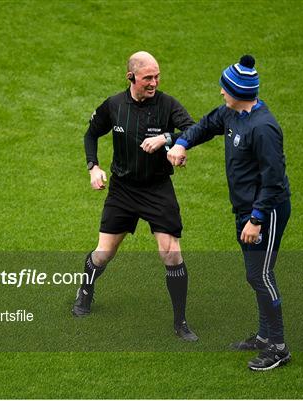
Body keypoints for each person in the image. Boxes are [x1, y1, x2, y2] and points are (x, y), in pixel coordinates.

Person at [167, 55, 291, 369]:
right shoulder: (232, 113)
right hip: (245, 210)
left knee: (260, 275)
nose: (221, 93)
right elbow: (207, 125)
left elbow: (274, 181)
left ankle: (278, 348)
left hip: (266, 211)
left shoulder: (263, 128)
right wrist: (182, 143)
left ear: (237, 92)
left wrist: (256, 219)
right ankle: (264, 337)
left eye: (224, 89)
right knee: (256, 275)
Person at [72, 51, 198, 342]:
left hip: (157, 188)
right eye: (147, 78)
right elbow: (90, 135)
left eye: (157, 77)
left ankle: (180, 322)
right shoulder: (114, 105)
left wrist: (167, 139)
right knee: (103, 254)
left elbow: (192, 129)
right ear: (131, 77)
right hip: (123, 190)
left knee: (171, 253)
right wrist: (93, 167)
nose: (154, 83)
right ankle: (85, 292)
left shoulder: (166, 104)